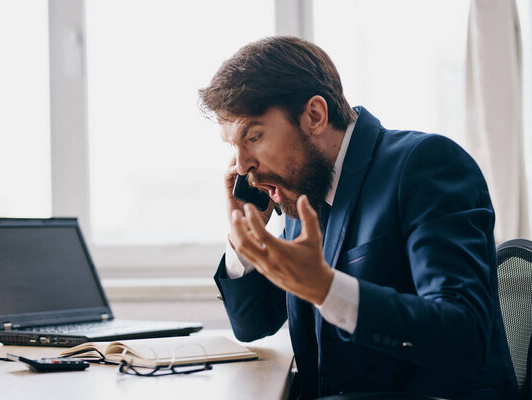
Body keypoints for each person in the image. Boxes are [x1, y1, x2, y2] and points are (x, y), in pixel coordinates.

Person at [198, 36, 518, 400]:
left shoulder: (425, 166)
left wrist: (325, 288)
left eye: (253, 136)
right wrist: (246, 239)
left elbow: (465, 335)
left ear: (314, 116)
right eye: (232, 147)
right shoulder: (303, 192)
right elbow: (252, 325)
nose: (242, 165)